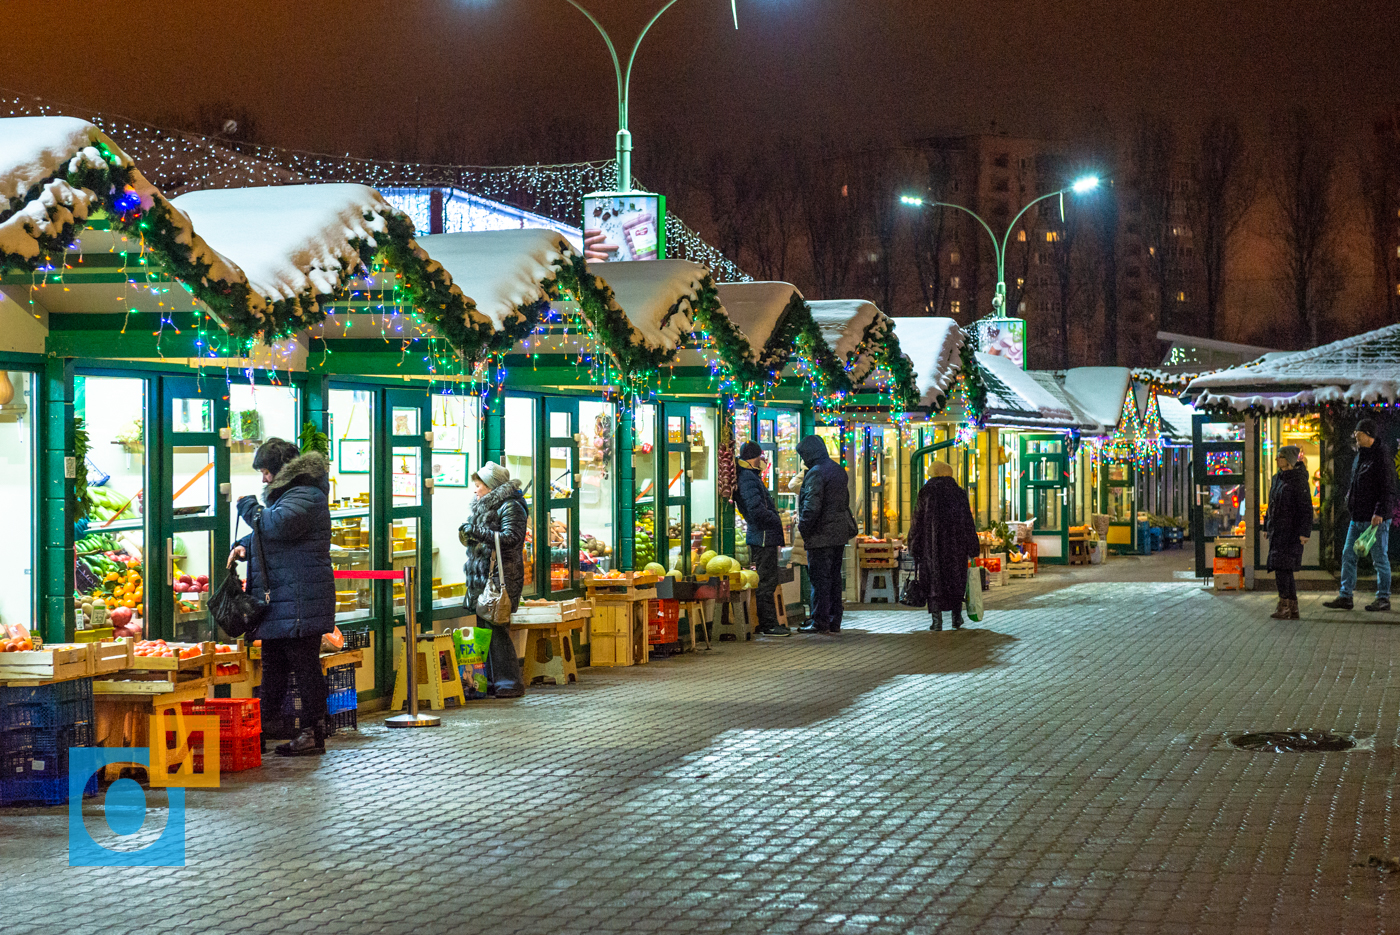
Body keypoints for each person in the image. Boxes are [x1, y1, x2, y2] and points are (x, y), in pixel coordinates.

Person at [227, 438, 334, 757]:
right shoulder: (290, 495)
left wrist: (248, 507)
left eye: (265, 471)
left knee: (304, 665)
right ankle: (262, 728)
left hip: (299, 600)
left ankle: (313, 731)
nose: (263, 478)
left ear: (281, 470)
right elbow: (273, 530)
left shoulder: (307, 494)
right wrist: (246, 544)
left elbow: (276, 524)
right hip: (283, 600)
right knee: (273, 664)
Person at [459, 461, 529, 696]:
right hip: (484, 577)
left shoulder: (511, 507)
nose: (475, 489)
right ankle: (487, 681)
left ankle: (509, 682)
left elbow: (511, 539)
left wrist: (476, 532)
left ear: (492, 486)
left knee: (497, 628)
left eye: (479, 485)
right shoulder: (484, 506)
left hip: (501, 576)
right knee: (485, 628)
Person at [1324, 419, 1395, 612]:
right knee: (1348, 554)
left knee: (1380, 559)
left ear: (1369, 435)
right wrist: (1350, 497)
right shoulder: (1360, 455)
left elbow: (1387, 488)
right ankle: (1345, 596)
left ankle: (1383, 598)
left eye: (1358, 433)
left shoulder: (1381, 457)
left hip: (1375, 519)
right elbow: (1356, 481)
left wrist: (1379, 512)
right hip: (1357, 518)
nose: (1355, 436)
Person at [794, 435, 858, 634]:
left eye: (803, 455)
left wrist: (803, 527)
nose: (803, 459)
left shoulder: (816, 472)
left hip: (820, 534)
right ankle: (833, 619)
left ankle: (819, 620)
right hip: (838, 533)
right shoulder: (837, 469)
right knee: (834, 577)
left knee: (820, 579)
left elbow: (812, 506)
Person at [907, 461, 981, 631]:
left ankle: (936, 620)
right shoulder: (959, 494)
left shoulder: (926, 492)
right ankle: (957, 617)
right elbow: (968, 522)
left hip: (931, 548)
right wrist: (972, 546)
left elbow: (917, 521)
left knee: (933, 582)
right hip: (957, 548)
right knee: (956, 581)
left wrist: (914, 544)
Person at [733, 441, 790, 636]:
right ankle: (768, 624)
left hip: (763, 535)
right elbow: (756, 510)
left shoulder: (749, 476)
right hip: (763, 536)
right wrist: (775, 519)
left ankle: (769, 622)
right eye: (760, 457)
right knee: (767, 580)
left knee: (769, 579)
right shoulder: (748, 478)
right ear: (756, 457)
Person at [1264, 445, 1312, 620]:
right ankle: (1292, 607)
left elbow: (1305, 508)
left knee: (1283, 568)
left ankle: (1284, 605)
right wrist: (1265, 526)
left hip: (1290, 532)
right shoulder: (1278, 478)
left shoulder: (1298, 480)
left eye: (1280, 456)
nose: (1277, 459)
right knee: (1283, 568)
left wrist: (1304, 532)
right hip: (1277, 530)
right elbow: (1271, 504)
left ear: (1290, 460)